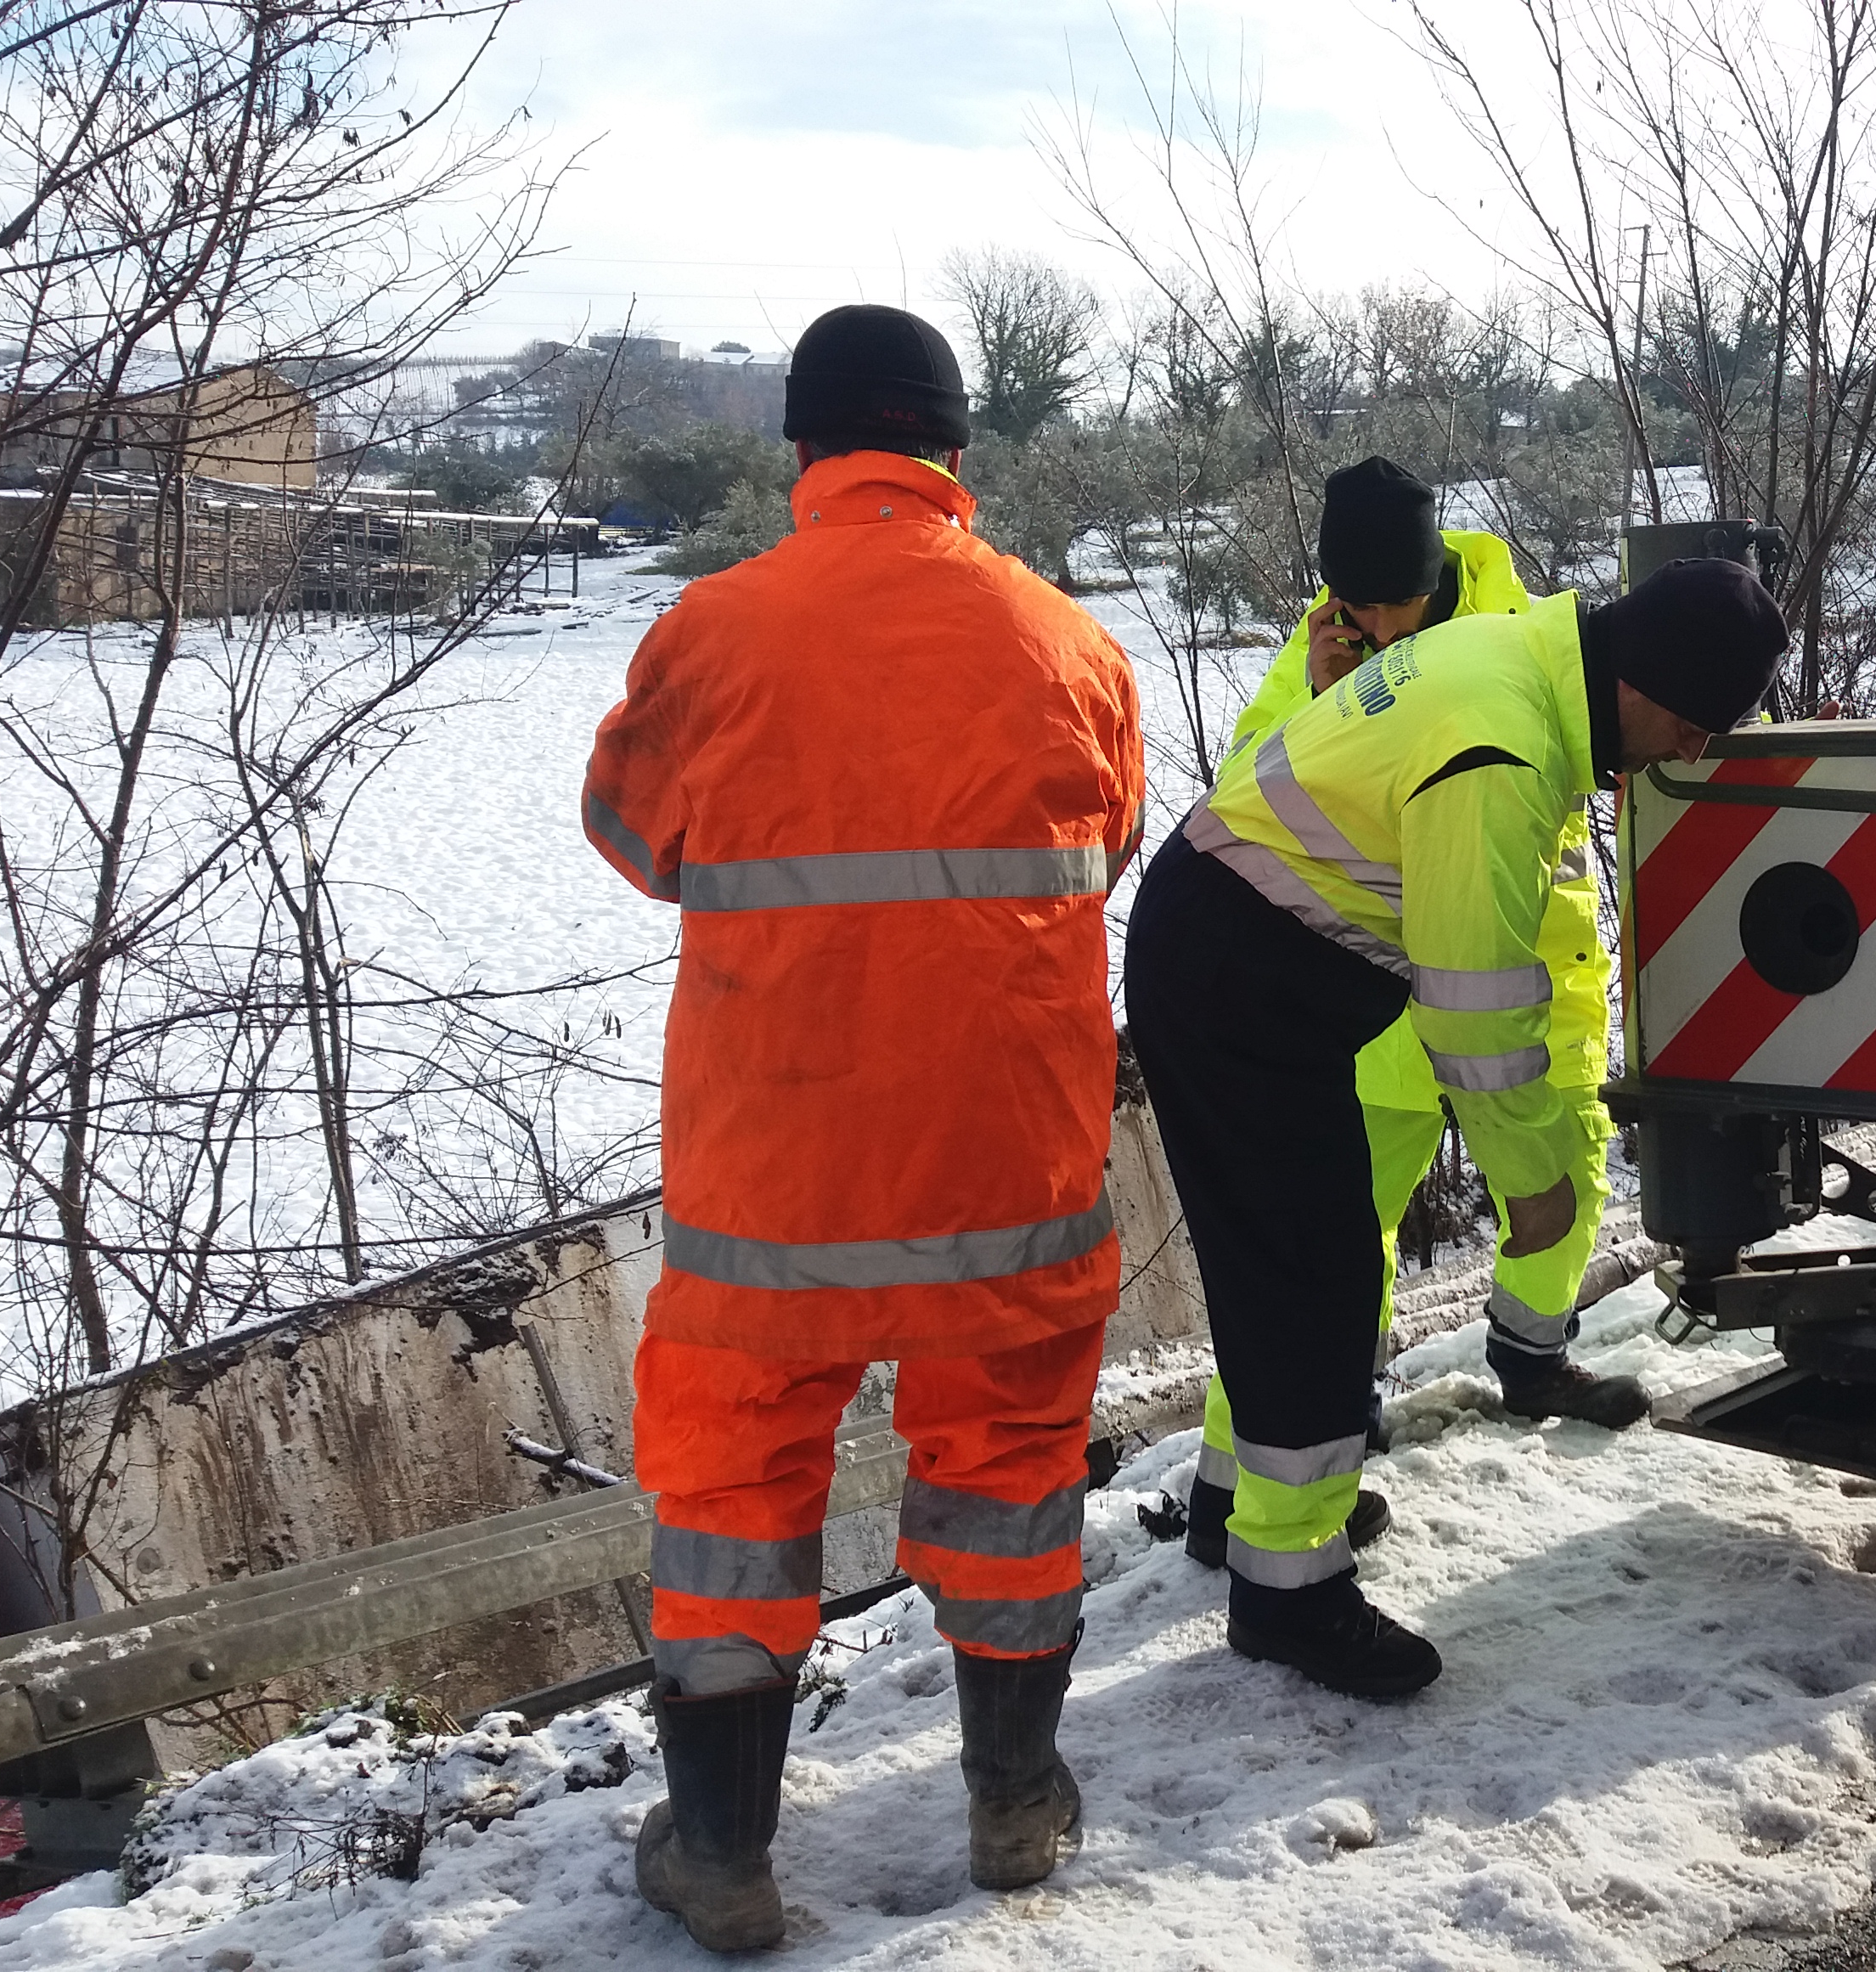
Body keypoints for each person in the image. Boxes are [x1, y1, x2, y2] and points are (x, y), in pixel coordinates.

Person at [583, 304, 1143, 1949]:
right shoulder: (1069, 642)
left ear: (805, 453)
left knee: (734, 1499)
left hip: (779, 1179)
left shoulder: (714, 631)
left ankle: (725, 1859)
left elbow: (635, 835)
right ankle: (1013, 1812)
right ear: (957, 452)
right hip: (1006, 1175)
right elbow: (1097, 847)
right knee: (1010, 1484)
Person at [1127, 555, 1788, 1696]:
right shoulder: (1506, 747)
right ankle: (1290, 1594)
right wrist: (1537, 1183)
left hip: (1234, 947)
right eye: (1688, 725)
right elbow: (1477, 1010)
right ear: (1644, 680)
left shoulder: (1516, 659)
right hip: (1242, 972)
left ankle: (1260, 1511)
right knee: (1310, 1266)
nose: (1686, 753)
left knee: (1301, 1254)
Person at [1180, 459, 1648, 1575]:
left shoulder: (1526, 628)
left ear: (1430, 576)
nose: (1367, 622)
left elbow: (1645, 691)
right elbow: (1246, 797)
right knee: (1322, 1250)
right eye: (1346, 602)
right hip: (1378, 1007)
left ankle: (1534, 1351)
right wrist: (1319, 686)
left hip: (1537, 967)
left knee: (1567, 1176)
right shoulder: (1324, 647)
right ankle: (1233, 1478)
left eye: (1381, 602)